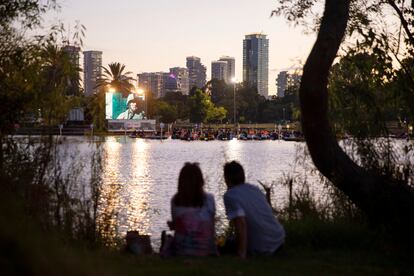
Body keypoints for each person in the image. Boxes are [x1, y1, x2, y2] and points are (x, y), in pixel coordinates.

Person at [223, 161, 285, 258]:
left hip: (263, 247)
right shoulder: (255, 189)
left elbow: (241, 223)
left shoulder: (230, 195)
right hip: (279, 240)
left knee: (226, 244)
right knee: (232, 240)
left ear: (226, 178)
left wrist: (242, 253)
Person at [161, 162, 217, 257]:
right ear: (201, 181)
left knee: (169, 239)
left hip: (181, 251)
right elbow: (211, 225)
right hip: (206, 251)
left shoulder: (175, 200)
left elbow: (178, 225)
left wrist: (174, 225)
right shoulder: (209, 199)